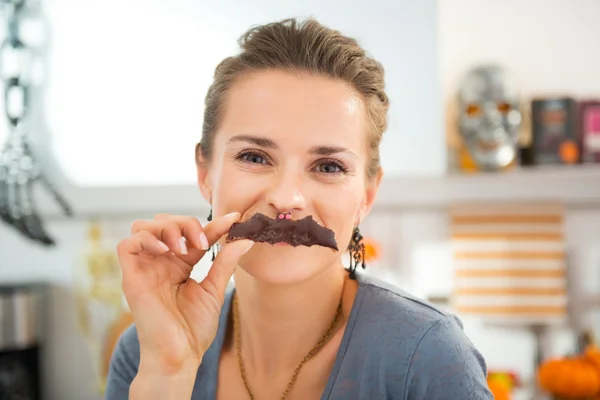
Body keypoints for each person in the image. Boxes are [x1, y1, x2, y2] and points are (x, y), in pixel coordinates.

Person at [105, 17, 492, 400]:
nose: (287, 197)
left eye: (328, 167)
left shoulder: (429, 357)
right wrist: (168, 372)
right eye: (255, 157)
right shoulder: (145, 354)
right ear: (206, 172)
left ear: (367, 195)